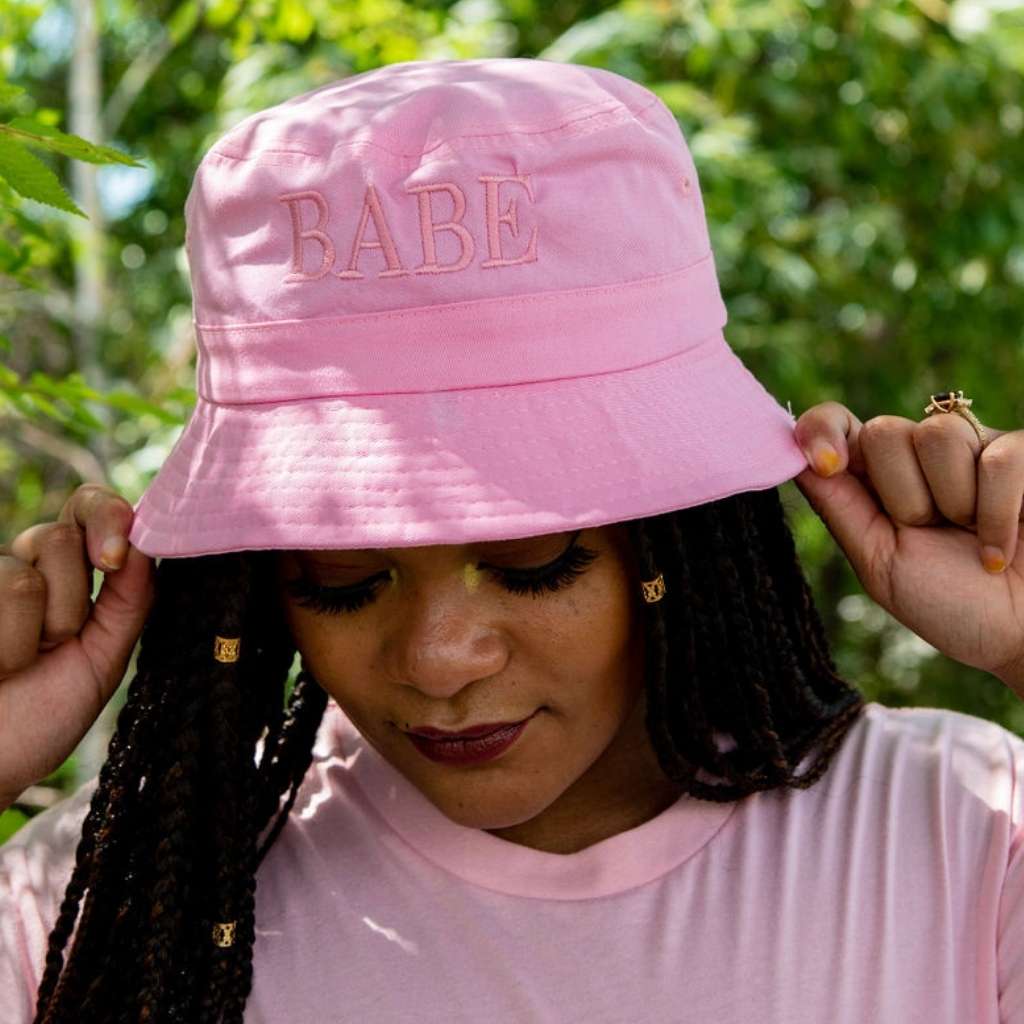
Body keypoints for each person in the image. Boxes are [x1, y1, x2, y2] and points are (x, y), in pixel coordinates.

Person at [2, 57, 1024, 1024]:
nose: (442, 656)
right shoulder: (104, 907)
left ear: (669, 540)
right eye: (344, 579)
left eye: (535, 563)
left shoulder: (965, 839)